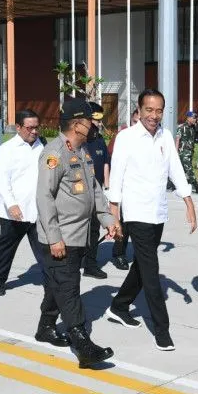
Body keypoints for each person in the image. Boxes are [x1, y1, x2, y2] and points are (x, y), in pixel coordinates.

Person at [105, 89, 197, 352]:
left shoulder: (165, 136)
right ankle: (162, 330)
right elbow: (117, 177)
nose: (154, 116)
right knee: (151, 271)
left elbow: (175, 168)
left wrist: (188, 201)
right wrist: (114, 215)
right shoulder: (126, 138)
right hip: (136, 214)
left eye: (159, 111)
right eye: (149, 110)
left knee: (141, 267)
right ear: (139, 109)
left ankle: (119, 306)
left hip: (157, 213)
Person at [35, 97, 119, 367]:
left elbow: (94, 191)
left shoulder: (82, 151)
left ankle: (46, 327)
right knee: (69, 288)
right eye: (91, 121)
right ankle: (82, 342)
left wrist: (108, 220)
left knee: (58, 285)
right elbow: (44, 197)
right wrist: (54, 237)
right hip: (60, 238)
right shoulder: (54, 153)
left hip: (79, 236)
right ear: (77, 124)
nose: (96, 125)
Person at [0, 109, 45, 297]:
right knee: (6, 249)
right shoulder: (8, 148)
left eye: (37, 127)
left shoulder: (42, 146)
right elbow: (3, 181)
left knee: (44, 250)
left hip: (37, 211)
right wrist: (12, 204)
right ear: (19, 127)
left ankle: (51, 282)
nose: (34, 131)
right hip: (14, 212)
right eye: (30, 128)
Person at [83, 102, 111, 279]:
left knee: (94, 230)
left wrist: (106, 187)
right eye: (96, 119)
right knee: (78, 230)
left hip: (97, 192)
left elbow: (106, 163)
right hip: (80, 194)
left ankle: (90, 265)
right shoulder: (80, 141)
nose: (99, 123)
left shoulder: (99, 139)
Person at [109, 109, 140, 270]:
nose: (138, 125)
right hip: (124, 189)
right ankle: (119, 253)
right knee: (123, 225)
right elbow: (113, 161)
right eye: (135, 122)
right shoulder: (123, 137)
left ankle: (139, 255)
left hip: (140, 191)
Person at [176, 110, 198, 193]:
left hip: (190, 152)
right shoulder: (182, 127)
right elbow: (177, 140)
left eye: (196, 118)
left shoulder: (193, 128)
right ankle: (196, 186)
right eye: (193, 118)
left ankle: (171, 184)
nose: (195, 120)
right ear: (188, 118)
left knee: (181, 170)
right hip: (183, 152)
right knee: (189, 169)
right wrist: (175, 152)